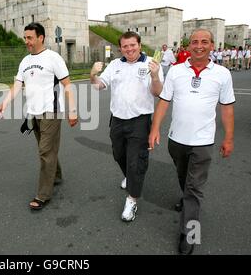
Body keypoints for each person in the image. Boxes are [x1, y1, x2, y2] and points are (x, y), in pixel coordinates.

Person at [148, 29, 235, 255]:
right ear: (188, 46)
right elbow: (164, 102)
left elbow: (227, 109)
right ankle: (186, 200)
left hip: (203, 142)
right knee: (183, 177)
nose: (199, 46)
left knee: (195, 188)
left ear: (212, 45)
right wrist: (155, 129)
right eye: (195, 42)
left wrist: (228, 138)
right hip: (176, 140)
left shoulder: (223, 74)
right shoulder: (176, 71)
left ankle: (190, 234)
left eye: (204, 42)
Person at [0, 22, 78, 210]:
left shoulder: (53, 58)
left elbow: (67, 85)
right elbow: (17, 85)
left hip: (51, 111)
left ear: (40, 37)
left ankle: (43, 195)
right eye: (25, 38)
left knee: (44, 151)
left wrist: (72, 110)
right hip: (34, 112)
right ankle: (56, 175)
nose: (27, 41)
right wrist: (5, 101)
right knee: (47, 150)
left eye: (30, 38)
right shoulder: (25, 62)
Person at [90, 31, 163, 222]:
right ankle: (130, 177)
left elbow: (157, 92)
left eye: (133, 45)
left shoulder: (151, 65)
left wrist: (155, 76)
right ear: (120, 48)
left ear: (139, 45)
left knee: (135, 161)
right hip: (117, 119)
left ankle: (132, 200)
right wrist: (92, 75)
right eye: (125, 46)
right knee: (118, 154)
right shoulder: (115, 65)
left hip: (140, 120)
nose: (129, 49)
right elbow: (100, 85)